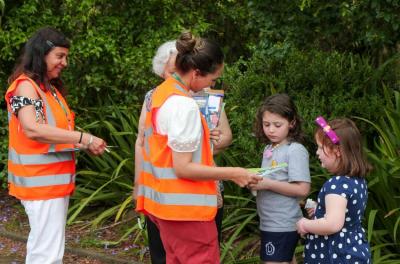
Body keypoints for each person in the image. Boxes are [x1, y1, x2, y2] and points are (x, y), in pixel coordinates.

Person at [135, 31, 262, 264]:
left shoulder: (160, 95)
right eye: (212, 80)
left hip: (165, 209)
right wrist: (235, 173)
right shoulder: (184, 105)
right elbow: (183, 168)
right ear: (196, 73)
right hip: (187, 214)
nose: (212, 85)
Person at [4, 27, 106, 264]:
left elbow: (52, 135)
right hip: (41, 184)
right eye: (59, 56)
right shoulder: (26, 86)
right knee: (46, 255)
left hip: (51, 184)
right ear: (41, 54)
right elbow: (32, 128)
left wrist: (83, 144)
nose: (65, 63)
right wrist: (84, 139)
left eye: (66, 57)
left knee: (47, 251)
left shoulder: (48, 90)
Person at [296, 117, 372, 263]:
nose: (317, 152)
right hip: (352, 250)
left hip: (335, 255)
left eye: (319, 147)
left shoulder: (336, 184)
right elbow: (342, 213)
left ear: (337, 151)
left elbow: (332, 224)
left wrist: (304, 224)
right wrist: (319, 209)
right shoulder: (358, 182)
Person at [249, 93, 311, 264]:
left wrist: (268, 184)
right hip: (270, 221)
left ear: (292, 123)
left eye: (277, 125)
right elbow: (269, 180)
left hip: (282, 223)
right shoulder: (269, 148)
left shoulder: (294, 150)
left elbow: (303, 189)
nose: (271, 130)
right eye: (266, 124)